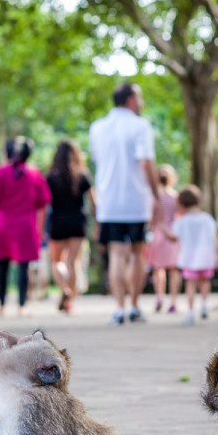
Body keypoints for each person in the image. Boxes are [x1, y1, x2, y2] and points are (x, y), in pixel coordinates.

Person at [89, 81, 160, 325]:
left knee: (116, 254)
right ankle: (134, 306)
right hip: (136, 200)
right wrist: (156, 195)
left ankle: (118, 308)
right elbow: (146, 163)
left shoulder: (97, 127)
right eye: (139, 98)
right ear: (130, 100)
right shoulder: (140, 126)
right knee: (137, 254)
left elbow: (98, 161)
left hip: (108, 202)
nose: (141, 103)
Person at [0, 137, 51, 317]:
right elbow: (43, 201)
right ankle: (22, 305)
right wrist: (40, 229)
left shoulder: (0, 172)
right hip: (26, 225)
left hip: (3, 224)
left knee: (3, 266)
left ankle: (1, 305)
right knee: (24, 267)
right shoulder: (34, 174)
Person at [46, 139, 96, 314]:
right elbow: (93, 201)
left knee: (56, 261)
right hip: (78, 222)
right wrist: (96, 224)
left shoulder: (51, 177)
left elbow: (45, 204)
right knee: (73, 262)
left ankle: (64, 289)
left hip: (58, 222)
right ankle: (69, 302)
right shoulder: (82, 175)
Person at [169, 185, 218, 326]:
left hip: (188, 258)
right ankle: (204, 304)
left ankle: (191, 311)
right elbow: (215, 238)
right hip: (206, 257)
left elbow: (174, 237)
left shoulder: (181, 221)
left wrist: (161, 228)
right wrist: (217, 255)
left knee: (190, 284)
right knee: (205, 281)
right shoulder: (207, 218)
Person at [145, 164, 182, 314]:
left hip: (158, 235)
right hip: (174, 235)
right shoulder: (176, 197)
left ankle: (160, 296)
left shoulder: (154, 197)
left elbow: (151, 219)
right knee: (174, 270)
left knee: (158, 270)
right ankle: (173, 301)